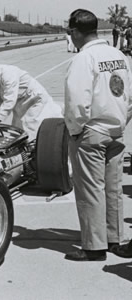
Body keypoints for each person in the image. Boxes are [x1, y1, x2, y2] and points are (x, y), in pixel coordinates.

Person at [63, 9, 132, 261]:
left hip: (91, 131)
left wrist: (75, 130)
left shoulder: (84, 58)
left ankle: (93, 246)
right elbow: (129, 95)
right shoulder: (118, 55)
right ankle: (114, 239)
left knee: (91, 189)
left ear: (76, 32)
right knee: (113, 189)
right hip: (116, 129)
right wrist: (121, 120)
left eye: (70, 32)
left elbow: (77, 102)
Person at [0, 61, 63, 141]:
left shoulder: (6, 73)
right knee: (18, 132)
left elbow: (9, 101)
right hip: (19, 104)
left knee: (33, 131)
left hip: (33, 100)